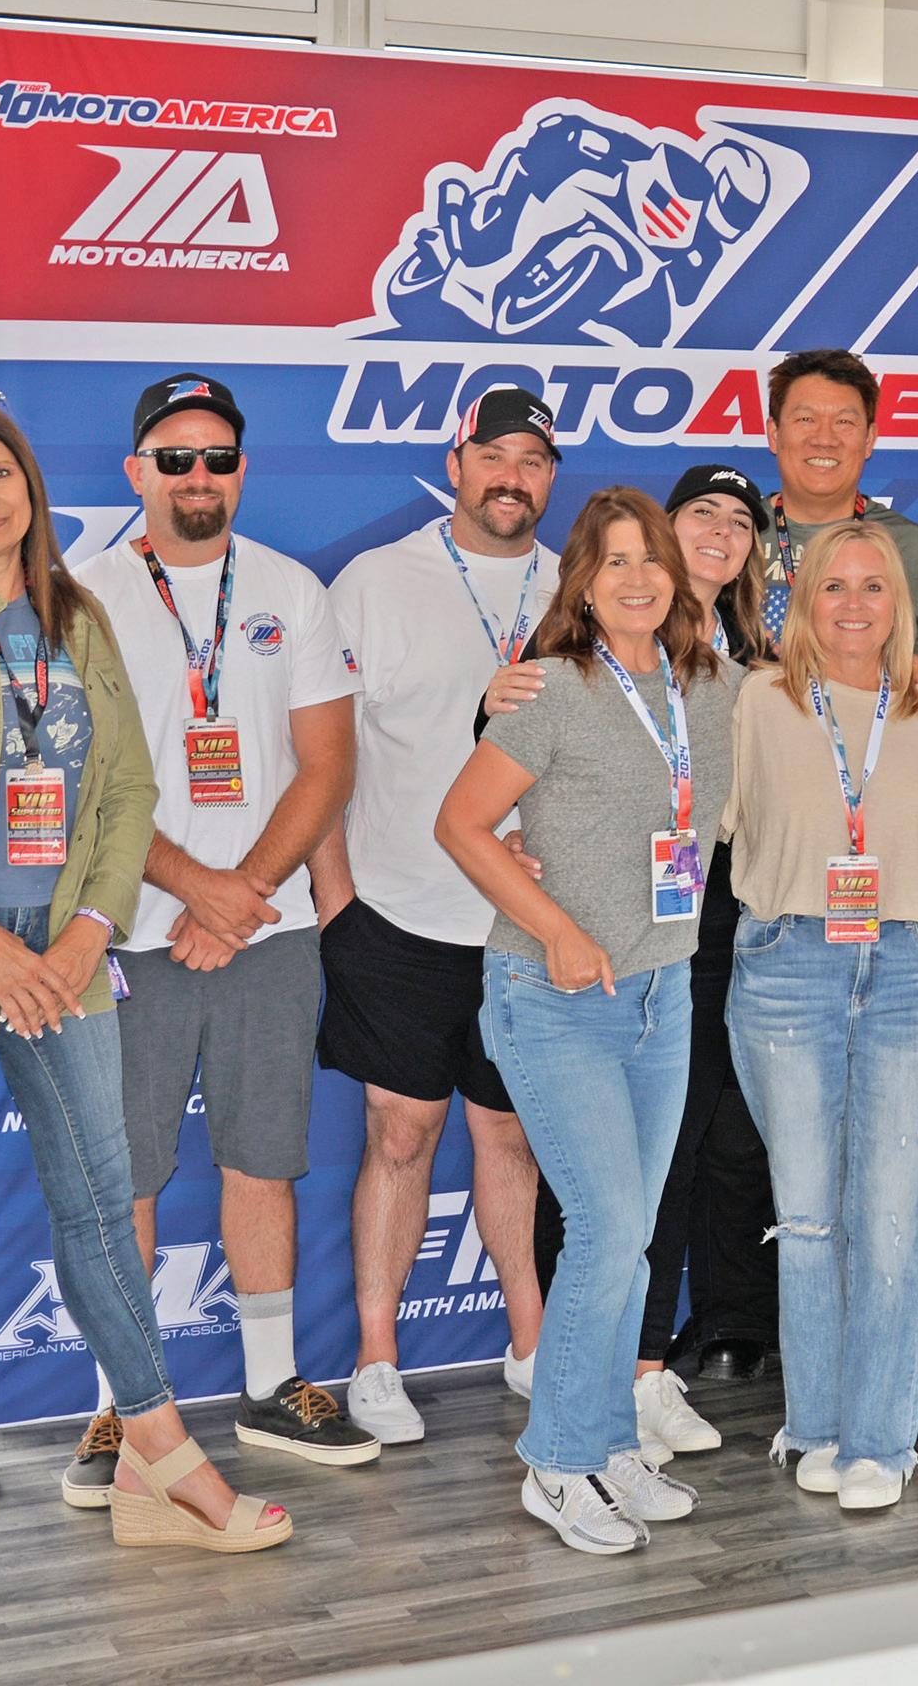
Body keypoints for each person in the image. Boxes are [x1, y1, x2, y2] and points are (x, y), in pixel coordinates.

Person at [0, 400, 289, 1591]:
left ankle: (156, 1455)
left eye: (1, 475)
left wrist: (86, 930)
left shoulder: (76, 618)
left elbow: (125, 791)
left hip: (64, 955)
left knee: (100, 1201)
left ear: (31, 487)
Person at [71, 373, 372, 1479]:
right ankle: (126, 1404)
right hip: (124, 930)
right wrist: (197, 887)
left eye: (218, 457)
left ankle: (270, 1386)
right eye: (175, 457)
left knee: (263, 1159)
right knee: (127, 1180)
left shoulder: (290, 588)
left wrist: (240, 893)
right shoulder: (79, 594)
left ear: (242, 471)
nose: (198, 475)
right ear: (135, 472)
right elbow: (77, 776)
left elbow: (326, 764)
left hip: (266, 927)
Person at [436, 485, 738, 1555]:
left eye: (651, 558)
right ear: (583, 583)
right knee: (607, 1230)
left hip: (664, 994)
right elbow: (461, 824)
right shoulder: (555, 686)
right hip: (554, 995)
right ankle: (559, 1462)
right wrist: (556, 928)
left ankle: (609, 1442)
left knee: (632, 1240)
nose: (637, 578)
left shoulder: (713, 687)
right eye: (614, 561)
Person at [720, 522, 918, 1512]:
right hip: (787, 967)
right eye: (833, 585)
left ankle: (880, 1440)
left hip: (913, 973)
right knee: (806, 1215)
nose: (852, 604)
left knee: (891, 1214)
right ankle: (815, 1424)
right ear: (803, 601)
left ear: (899, 605)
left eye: (872, 586)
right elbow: (676, 804)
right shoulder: (758, 701)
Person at [316, 386, 561, 1446]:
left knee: (511, 1135)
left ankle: (531, 1345)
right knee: (400, 1133)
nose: (512, 477)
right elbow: (324, 753)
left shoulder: (580, 585)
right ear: (455, 464)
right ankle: (377, 1360)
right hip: (399, 916)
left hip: (528, 925)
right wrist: (335, 901)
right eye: (492, 455)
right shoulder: (375, 583)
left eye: (533, 461)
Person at [617, 462, 776, 1452]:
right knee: (627, 1160)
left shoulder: (754, 654)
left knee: (687, 1151)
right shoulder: (618, 624)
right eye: (702, 512)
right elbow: (517, 725)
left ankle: (647, 1367)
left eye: (740, 520)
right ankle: (613, 1371)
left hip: (716, 927)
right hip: (621, 921)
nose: (722, 530)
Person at [757, 348, 918, 674]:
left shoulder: (916, 548)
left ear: (869, 439)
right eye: (806, 419)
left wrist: (872, 669)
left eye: (844, 422)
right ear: (774, 434)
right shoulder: (731, 536)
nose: (824, 439)